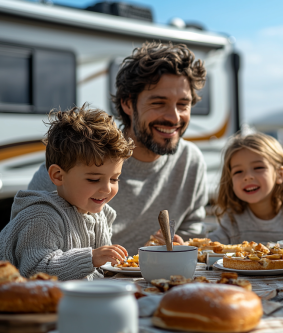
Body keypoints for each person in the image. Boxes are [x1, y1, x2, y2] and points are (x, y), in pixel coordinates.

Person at [28, 42, 209, 254]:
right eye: (159, 103)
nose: (174, 117)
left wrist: (181, 245)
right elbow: (29, 242)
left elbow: (193, 230)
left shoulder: (191, 161)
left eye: (183, 104)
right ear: (127, 104)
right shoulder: (77, 161)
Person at [0, 106, 135, 280]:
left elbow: (99, 272)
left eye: (114, 179)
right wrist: (91, 258)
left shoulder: (101, 214)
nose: (107, 189)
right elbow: (35, 271)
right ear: (58, 176)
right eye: (94, 179)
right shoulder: (41, 217)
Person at [208, 133, 283, 244]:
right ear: (230, 181)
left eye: (258, 167)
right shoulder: (232, 217)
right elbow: (211, 245)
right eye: (238, 171)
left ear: (280, 175)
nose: (248, 177)